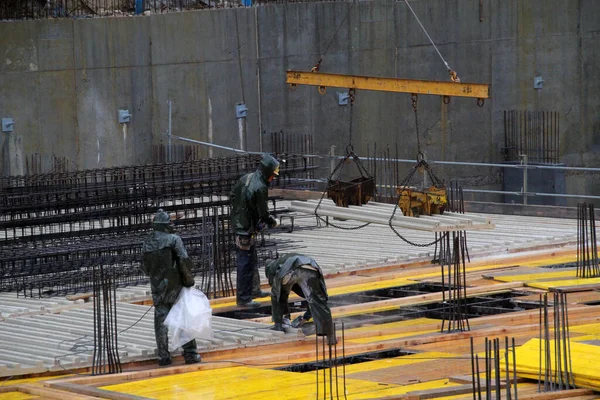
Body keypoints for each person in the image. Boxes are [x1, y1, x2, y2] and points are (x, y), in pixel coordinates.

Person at [141, 209, 201, 366]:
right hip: (175, 284)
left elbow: (145, 269)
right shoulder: (174, 239)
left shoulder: (147, 242)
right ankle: (190, 354)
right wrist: (188, 279)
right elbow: (184, 260)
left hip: (158, 286)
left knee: (161, 320)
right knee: (182, 318)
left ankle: (163, 356)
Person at [230, 153, 280, 308]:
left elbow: (233, 196)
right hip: (244, 229)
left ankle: (254, 290)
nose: (273, 178)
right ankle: (244, 299)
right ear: (267, 172)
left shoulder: (246, 178)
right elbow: (263, 213)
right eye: (273, 175)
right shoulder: (260, 187)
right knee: (245, 262)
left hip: (243, 224)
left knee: (251, 258)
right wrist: (272, 222)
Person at [265, 253, 337, 345]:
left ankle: (278, 326)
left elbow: (279, 296)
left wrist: (280, 319)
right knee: (317, 301)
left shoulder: (272, 267)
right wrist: (304, 318)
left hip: (291, 270)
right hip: (310, 269)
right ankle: (330, 337)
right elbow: (314, 301)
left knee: (276, 294)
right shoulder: (285, 259)